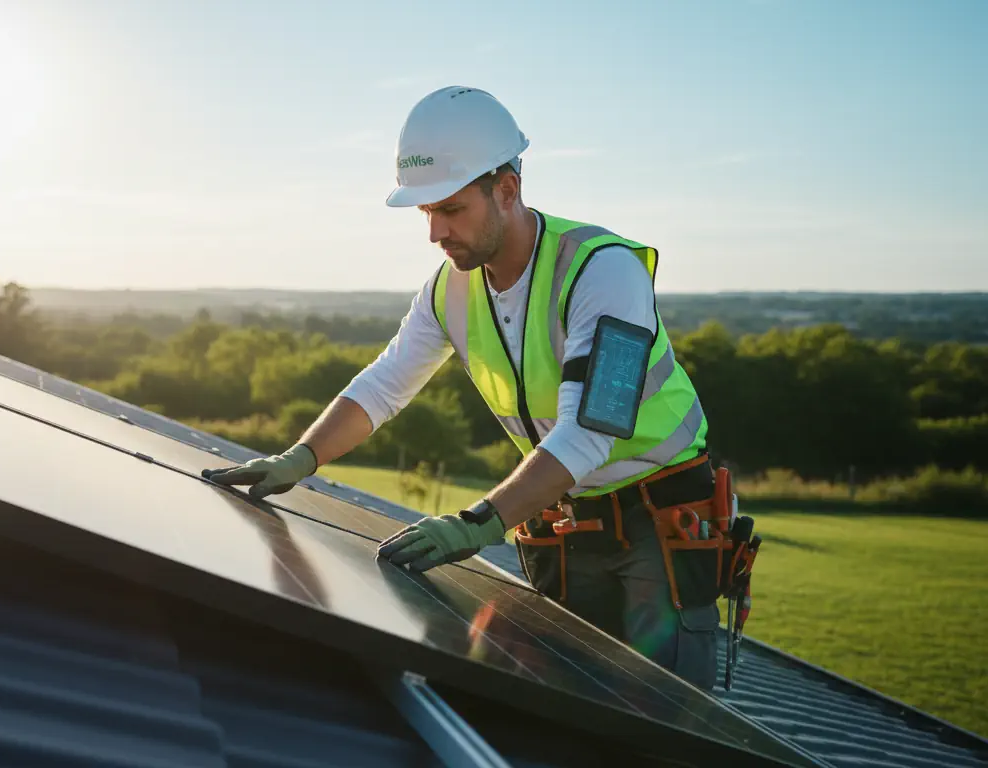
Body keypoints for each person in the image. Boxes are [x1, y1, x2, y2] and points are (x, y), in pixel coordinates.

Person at [203, 85, 723, 690]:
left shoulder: (604, 271)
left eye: (451, 209)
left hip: (658, 521)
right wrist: (303, 456)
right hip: (562, 517)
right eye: (427, 214)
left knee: (663, 718)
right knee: (570, 707)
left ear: (507, 189)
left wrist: (478, 524)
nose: (435, 234)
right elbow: (386, 383)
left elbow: (588, 433)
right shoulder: (450, 287)